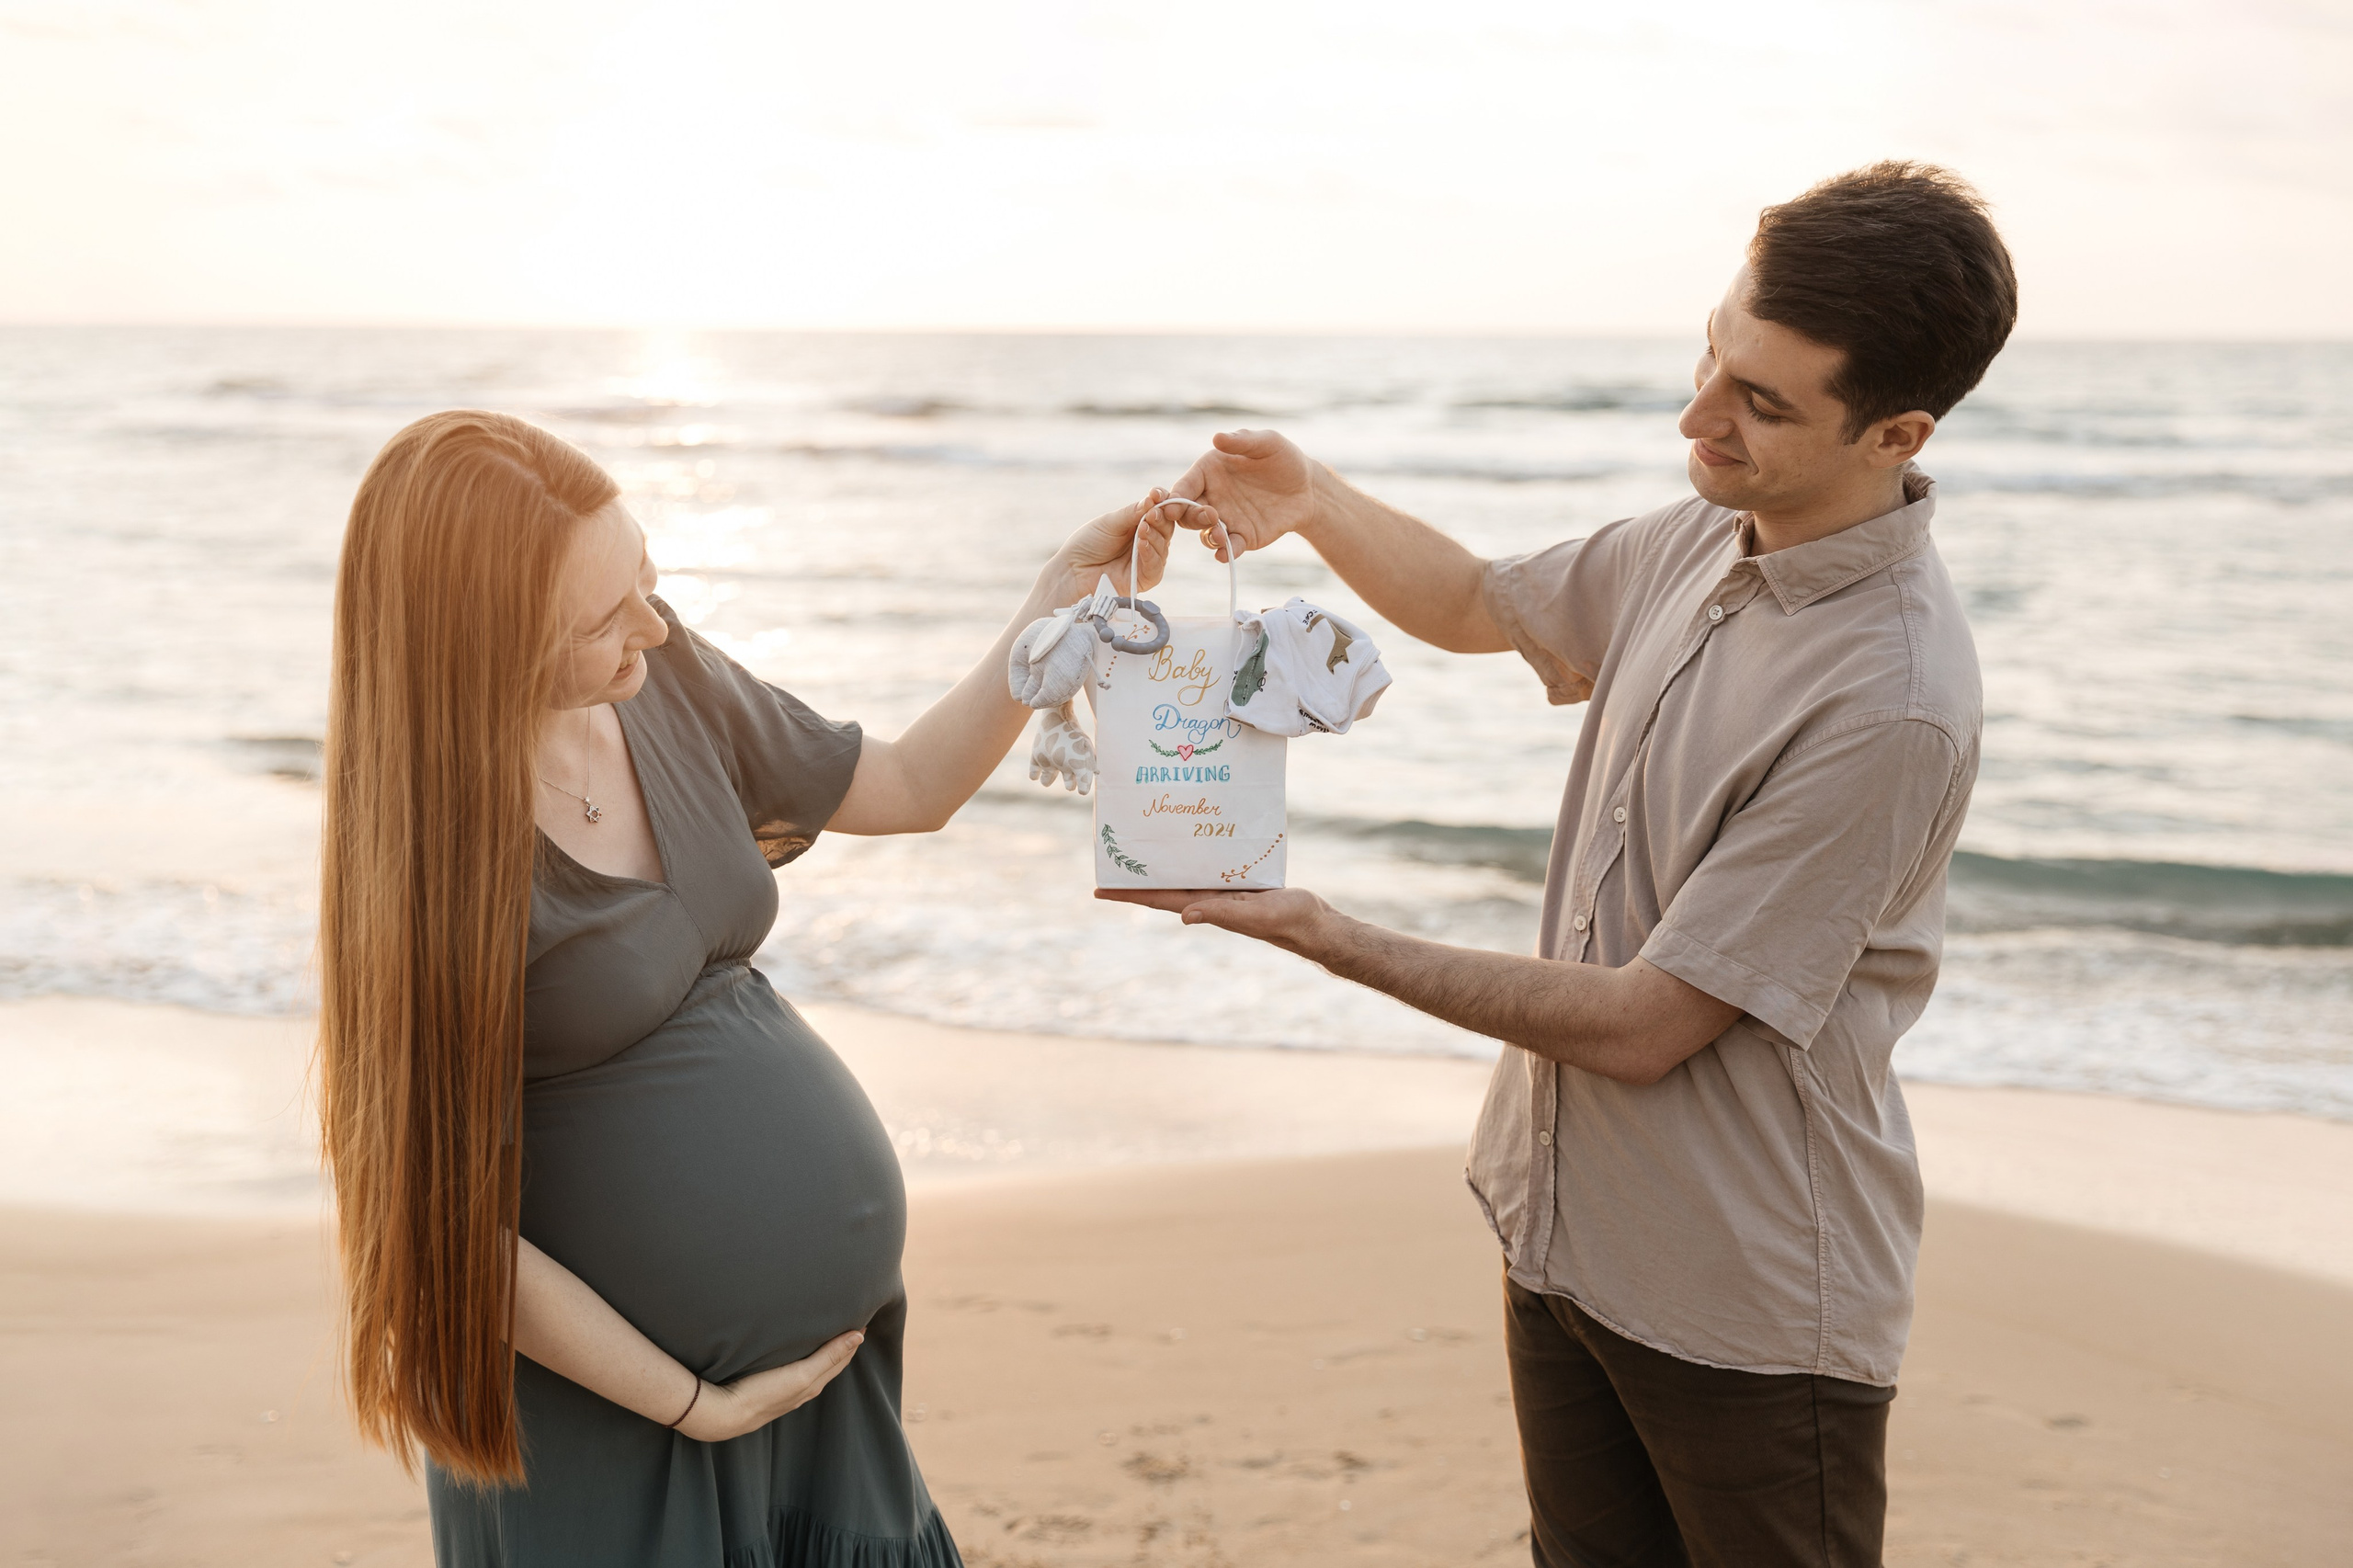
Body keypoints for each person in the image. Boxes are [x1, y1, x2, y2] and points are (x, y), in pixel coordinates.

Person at [1108, 162, 2018, 1565]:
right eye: (1714, 352)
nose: (1697, 413)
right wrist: (1316, 499)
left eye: (1761, 402)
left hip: (1746, 1308)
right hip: (1565, 1232)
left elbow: (1652, 1024)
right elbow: (1482, 604)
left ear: (1897, 431)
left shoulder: (1890, 698)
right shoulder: (1709, 530)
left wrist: (1323, 931)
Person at [316, 409, 1176, 1565]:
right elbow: (447, 1235)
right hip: (612, 1419)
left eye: (647, 576)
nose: (654, 623)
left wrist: (1053, 601)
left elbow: (910, 782)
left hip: (817, 1392)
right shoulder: (429, 852)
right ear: (485, 643)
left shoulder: (665, 681)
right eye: (602, 616)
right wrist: (690, 1401)